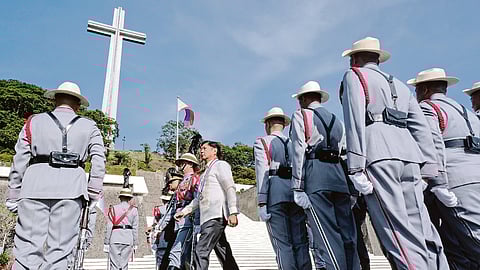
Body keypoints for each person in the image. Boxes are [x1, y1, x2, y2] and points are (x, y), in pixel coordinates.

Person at [340, 37, 448, 269]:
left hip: (378, 153)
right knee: (421, 229)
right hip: (410, 157)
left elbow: (355, 121)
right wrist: (428, 171)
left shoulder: (355, 76)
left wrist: (356, 166)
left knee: (396, 233)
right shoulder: (399, 84)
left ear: (355, 59)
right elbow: (420, 128)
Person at [5, 81, 106, 269]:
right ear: (77, 104)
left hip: (34, 187)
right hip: (71, 190)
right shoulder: (90, 126)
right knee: (60, 251)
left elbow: (19, 159)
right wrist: (93, 191)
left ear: (54, 100)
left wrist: (13, 194)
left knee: (26, 248)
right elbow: (99, 159)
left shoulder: (33, 122)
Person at [410, 68, 480, 269]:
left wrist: (439, 182)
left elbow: (431, 144)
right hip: (476, 173)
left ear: (424, 90)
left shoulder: (428, 107)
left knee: (473, 241)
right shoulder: (466, 112)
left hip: (456, 180)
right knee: (457, 246)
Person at [290, 80, 359, 269]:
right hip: (339, 177)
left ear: (303, 99)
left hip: (316, 175)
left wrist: (297, 187)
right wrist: (352, 189)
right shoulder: (337, 121)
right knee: (348, 234)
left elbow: (298, 151)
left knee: (326, 235)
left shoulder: (302, 115)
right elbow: (346, 153)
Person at [253, 107, 312, 270]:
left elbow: (262, 172)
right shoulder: (294, 143)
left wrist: (261, 202)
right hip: (295, 192)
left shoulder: (262, 142)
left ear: (268, 123)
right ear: (284, 125)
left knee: (282, 244)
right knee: (300, 242)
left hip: (275, 193)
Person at [175, 141, 239, 270]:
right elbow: (198, 199)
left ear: (214, 151)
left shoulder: (221, 165)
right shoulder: (204, 174)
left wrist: (233, 211)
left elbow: (230, 187)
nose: (201, 151)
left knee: (200, 250)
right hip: (207, 217)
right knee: (223, 252)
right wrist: (185, 211)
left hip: (215, 214)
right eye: (201, 148)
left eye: (205, 148)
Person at [167, 153, 201, 270]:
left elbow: (197, 199)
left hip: (188, 218)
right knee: (184, 254)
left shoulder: (194, 179)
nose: (181, 165)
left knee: (178, 252)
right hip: (179, 219)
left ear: (190, 164)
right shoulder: (183, 181)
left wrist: (196, 220)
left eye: (183, 162)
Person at [104, 188, 139, 270]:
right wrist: (135, 242)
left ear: (120, 198)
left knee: (114, 264)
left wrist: (106, 241)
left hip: (115, 237)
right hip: (128, 238)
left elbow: (109, 226)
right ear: (129, 199)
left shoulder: (113, 208)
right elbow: (135, 228)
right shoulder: (134, 210)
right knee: (124, 264)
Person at [157, 173, 183, 270]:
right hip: (174, 229)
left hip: (183, 228)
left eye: (172, 182)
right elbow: (168, 215)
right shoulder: (175, 196)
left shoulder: (184, 195)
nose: (169, 184)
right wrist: (158, 227)